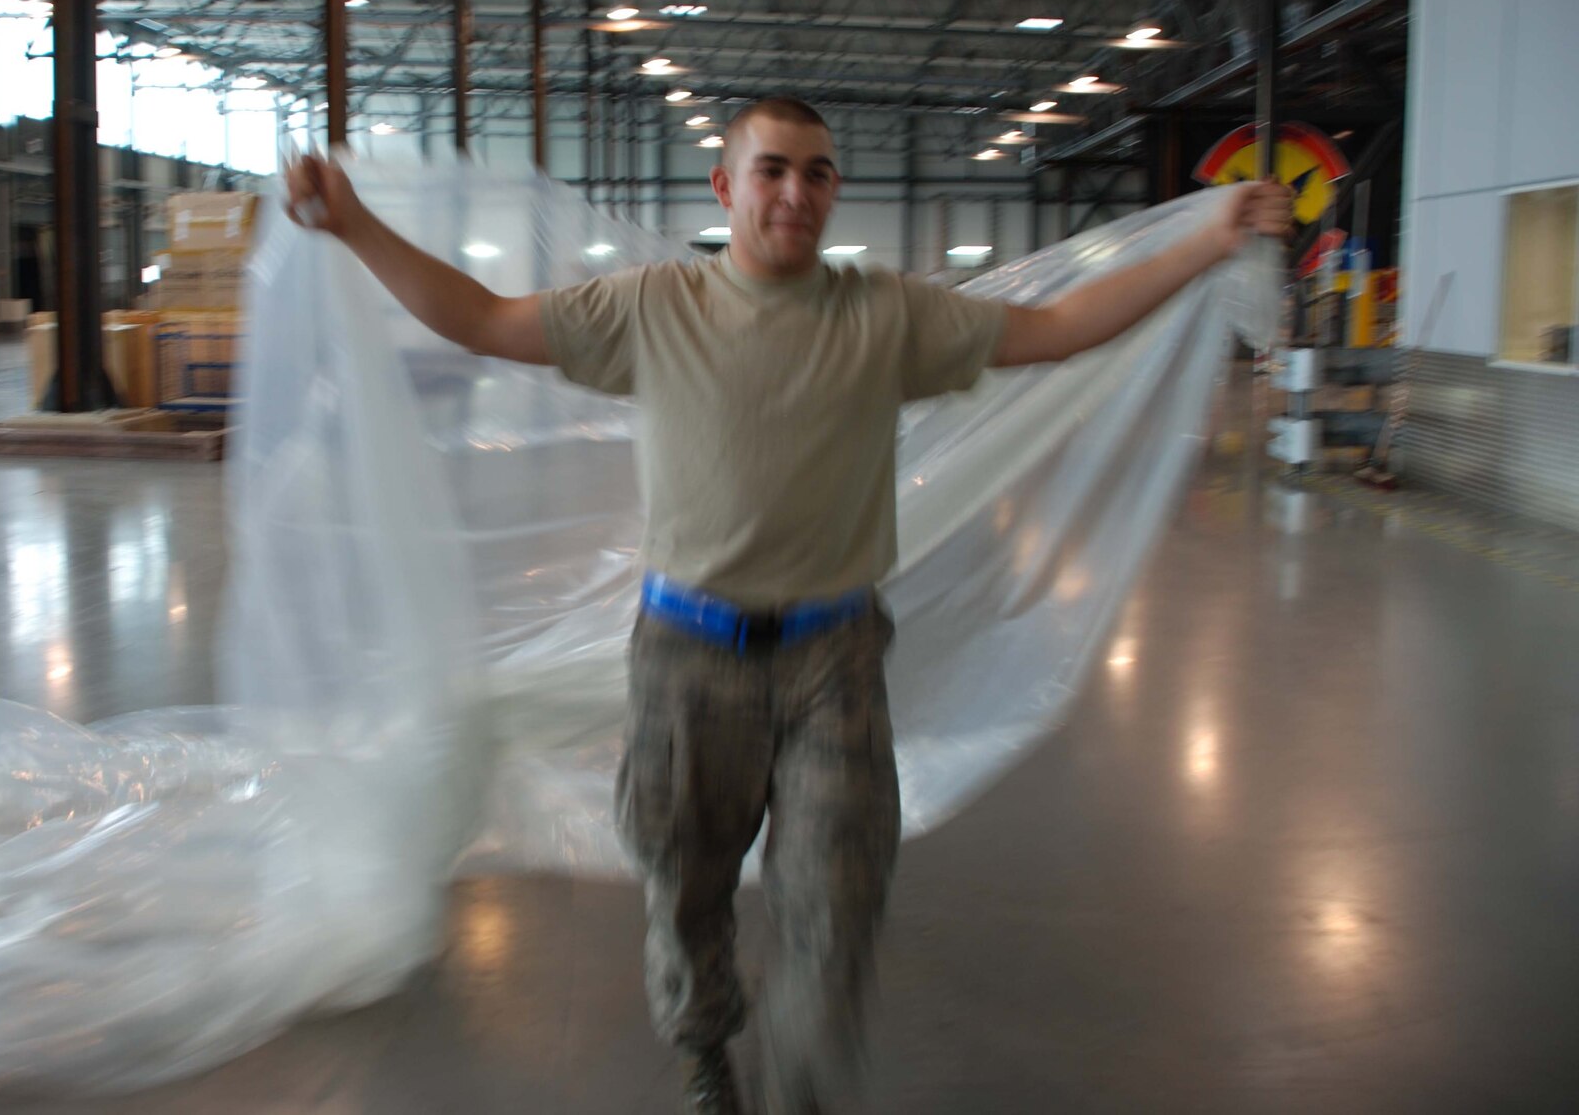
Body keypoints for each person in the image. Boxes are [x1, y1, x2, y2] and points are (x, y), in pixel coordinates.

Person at [284, 97, 1292, 1114]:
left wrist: (1209, 236)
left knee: (835, 900)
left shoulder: (884, 314)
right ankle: (704, 1046)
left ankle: (802, 1090)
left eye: (815, 172)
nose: (793, 192)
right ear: (725, 188)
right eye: (771, 169)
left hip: (832, 665)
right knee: (685, 889)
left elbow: (1058, 324)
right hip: (686, 659)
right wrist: (355, 223)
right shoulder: (652, 307)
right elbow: (481, 319)